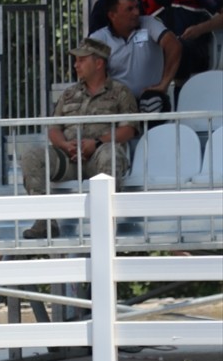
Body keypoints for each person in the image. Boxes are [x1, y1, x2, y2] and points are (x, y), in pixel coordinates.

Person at [19, 37, 139, 239]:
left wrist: (97, 143)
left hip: (99, 157)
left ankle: (104, 226)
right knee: (32, 156)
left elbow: (129, 130)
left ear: (98, 63)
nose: (76, 65)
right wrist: (65, 145)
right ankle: (44, 222)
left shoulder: (120, 92)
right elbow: (54, 128)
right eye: (76, 60)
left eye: (82, 60)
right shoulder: (69, 94)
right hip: (69, 158)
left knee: (111, 154)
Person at [90, 0, 181, 112]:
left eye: (137, 7)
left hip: (152, 97)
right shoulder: (99, 37)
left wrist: (164, 84)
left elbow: (173, 45)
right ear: (112, 15)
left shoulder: (149, 23)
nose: (137, 12)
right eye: (130, 9)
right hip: (118, 100)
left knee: (152, 103)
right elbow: (86, 67)